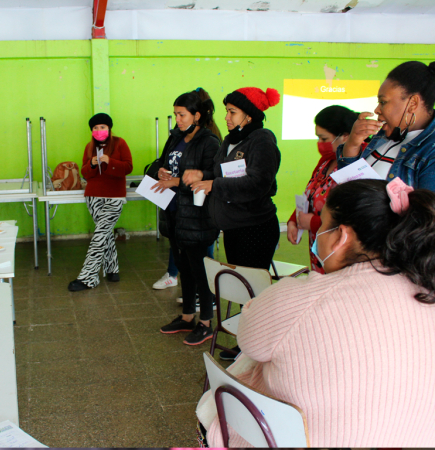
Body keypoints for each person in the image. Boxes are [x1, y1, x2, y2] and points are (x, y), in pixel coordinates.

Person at [197, 178, 435, 447]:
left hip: (306, 440)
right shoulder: (427, 291)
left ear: (340, 237)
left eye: (321, 224)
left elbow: (249, 341)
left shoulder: (302, 297)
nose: (317, 233)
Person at [183, 87, 281, 359]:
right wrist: (201, 174)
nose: (226, 117)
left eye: (232, 112)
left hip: (256, 228)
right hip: (234, 228)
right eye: (227, 110)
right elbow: (218, 171)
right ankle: (246, 342)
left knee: (253, 290)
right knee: (242, 288)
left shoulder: (261, 141)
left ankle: (255, 346)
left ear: (249, 116)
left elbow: (259, 183)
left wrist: (214, 184)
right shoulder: (230, 141)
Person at [152, 91, 220, 345]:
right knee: (184, 268)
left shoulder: (209, 142)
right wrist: (157, 170)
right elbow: (160, 163)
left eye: (182, 114)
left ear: (197, 115)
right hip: (174, 213)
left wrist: (177, 181)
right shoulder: (175, 138)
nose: (177, 119)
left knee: (199, 270)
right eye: (176, 114)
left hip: (196, 216)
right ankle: (187, 316)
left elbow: (212, 174)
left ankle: (205, 323)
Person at [339, 60, 435, 189]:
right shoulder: (384, 135)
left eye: (383, 102)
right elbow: (350, 187)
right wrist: (352, 144)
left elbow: (426, 208)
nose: (377, 110)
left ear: (412, 103)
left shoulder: (431, 152)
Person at [287, 105, 359, 273]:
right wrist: (293, 220)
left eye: (324, 139)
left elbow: (354, 219)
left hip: (338, 254)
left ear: (345, 137)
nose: (319, 144)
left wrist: (312, 223)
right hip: (319, 249)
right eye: (318, 138)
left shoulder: (355, 167)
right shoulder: (326, 160)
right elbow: (310, 192)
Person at [68, 113, 133, 292]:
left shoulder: (120, 143)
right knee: (103, 233)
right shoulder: (90, 147)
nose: (99, 130)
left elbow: (128, 167)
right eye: (95, 128)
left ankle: (88, 277)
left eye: (102, 127)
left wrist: (110, 161)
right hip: (93, 196)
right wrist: (92, 164)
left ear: (109, 128)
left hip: (114, 196)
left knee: (99, 236)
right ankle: (112, 269)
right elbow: (84, 173)